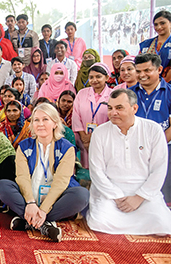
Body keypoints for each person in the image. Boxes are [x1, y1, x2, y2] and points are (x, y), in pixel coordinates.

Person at [0, 103, 89, 242]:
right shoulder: (24, 146)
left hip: (55, 198)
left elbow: (61, 182)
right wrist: (30, 203)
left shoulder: (66, 148)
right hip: (28, 197)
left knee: (82, 195)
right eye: (36, 120)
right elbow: (22, 177)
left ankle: (29, 220)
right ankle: (43, 225)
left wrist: (44, 210)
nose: (40, 124)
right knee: (2, 186)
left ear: (55, 123)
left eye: (45, 119)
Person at [87, 89, 171, 235]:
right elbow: (96, 172)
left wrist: (139, 197)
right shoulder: (100, 133)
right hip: (110, 193)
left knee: (162, 225)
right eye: (110, 108)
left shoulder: (153, 130)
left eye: (119, 108)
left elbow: (159, 169)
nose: (113, 113)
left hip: (144, 193)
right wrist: (117, 196)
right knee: (99, 222)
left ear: (134, 108)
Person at [130, 53, 171, 203]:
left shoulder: (169, 92)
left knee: (163, 195)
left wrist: (155, 145)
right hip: (134, 150)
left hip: (165, 150)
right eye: (138, 71)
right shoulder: (129, 94)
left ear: (159, 69)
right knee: (136, 192)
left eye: (147, 70)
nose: (142, 75)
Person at [73, 63, 112, 169]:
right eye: (91, 77)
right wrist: (84, 136)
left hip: (104, 138)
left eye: (98, 76)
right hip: (83, 139)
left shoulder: (113, 95)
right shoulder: (82, 93)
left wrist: (93, 136)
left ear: (107, 77)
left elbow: (113, 118)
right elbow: (76, 115)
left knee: (102, 166)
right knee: (85, 166)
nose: (94, 80)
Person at [140, 11, 171, 82]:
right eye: (156, 24)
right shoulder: (146, 44)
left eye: (162, 23)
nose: (159, 27)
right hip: (147, 83)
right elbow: (139, 63)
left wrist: (161, 84)